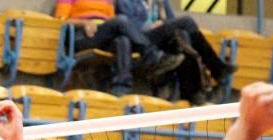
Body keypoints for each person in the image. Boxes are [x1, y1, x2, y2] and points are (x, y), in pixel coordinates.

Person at [115, 0, 235, 104]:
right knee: (187, 22)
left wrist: (165, 26)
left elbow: (172, 21)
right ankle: (215, 68)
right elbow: (128, 25)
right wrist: (152, 25)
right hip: (141, 38)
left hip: (162, 36)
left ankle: (193, 93)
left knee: (183, 38)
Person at [54, 0, 183, 97]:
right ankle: (151, 54)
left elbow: (111, 21)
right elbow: (61, 19)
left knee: (123, 39)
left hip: (103, 32)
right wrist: (84, 23)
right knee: (121, 20)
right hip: (81, 34)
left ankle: (121, 87)